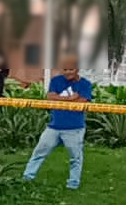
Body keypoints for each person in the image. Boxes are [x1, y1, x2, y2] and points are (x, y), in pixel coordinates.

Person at [22, 53, 92, 190]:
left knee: (75, 158)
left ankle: (73, 184)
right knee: (38, 152)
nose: (67, 72)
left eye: (70, 69)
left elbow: (83, 101)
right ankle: (27, 178)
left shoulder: (85, 84)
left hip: (74, 128)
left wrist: (60, 99)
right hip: (54, 127)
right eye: (64, 69)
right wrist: (71, 99)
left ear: (77, 69)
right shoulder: (56, 81)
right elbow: (50, 97)